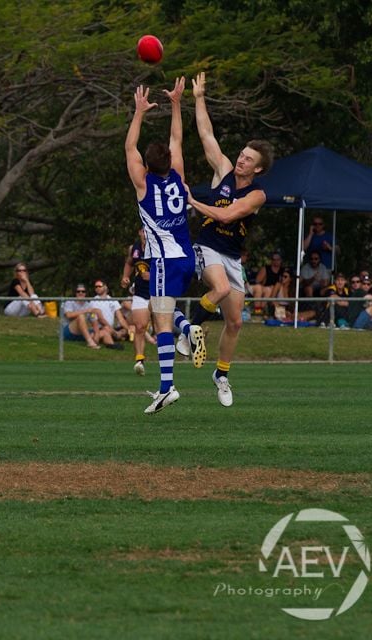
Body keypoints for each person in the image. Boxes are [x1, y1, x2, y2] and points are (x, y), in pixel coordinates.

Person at [185, 71, 275, 408]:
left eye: (249, 158)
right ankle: (191, 331)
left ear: (258, 169)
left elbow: (225, 215)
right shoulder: (222, 170)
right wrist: (198, 98)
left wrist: (194, 201)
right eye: (241, 154)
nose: (241, 159)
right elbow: (206, 133)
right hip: (207, 247)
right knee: (219, 289)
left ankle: (220, 374)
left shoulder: (257, 195)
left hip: (232, 256)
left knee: (235, 321)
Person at [125, 77, 199, 414]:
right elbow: (177, 138)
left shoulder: (143, 183)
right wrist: (175, 103)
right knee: (165, 313)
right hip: (187, 259)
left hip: (162, 260)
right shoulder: (179, 176)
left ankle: (167, 387)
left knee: (160, 323)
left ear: (147, 164)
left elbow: (129, 148)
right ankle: (188, 329)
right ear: (169, 161)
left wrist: (139, 112)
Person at [121, 229, 152, 374]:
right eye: (144, 230)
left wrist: (153, 276)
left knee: (162, 327)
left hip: (158, 292)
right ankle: (139, 360)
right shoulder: (134, 248)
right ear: (139, 232)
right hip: (140, 292)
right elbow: (129, 263)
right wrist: (125, 277)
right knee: (140, 326)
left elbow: (170, 268)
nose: (146, 233)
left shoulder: (159, 246)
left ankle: (167, 362)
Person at [61, 284, 106, 349]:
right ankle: (90, 342)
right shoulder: (69, 302)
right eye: (78, 291)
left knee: (105, 331)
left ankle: (112, 346)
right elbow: (69, 315)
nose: (80, 293)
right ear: (75, 293)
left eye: (83, 291)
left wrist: (96, 334)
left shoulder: (88, 305)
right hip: (68, 332)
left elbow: (93, 319)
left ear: (85, 293)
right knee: (81, 317)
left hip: (81, 333)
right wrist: (86, 310)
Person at [251, 250, 285, 314]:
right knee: (267, 289)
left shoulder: (283, 270)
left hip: (277, 290)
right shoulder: (266, 269)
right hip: (266, 289)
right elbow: (257, 281)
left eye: (278, 259)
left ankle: (264, 309)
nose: (276, 261)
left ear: (281, 260)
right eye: (273, 259)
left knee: (277, 286)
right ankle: (259, 310)